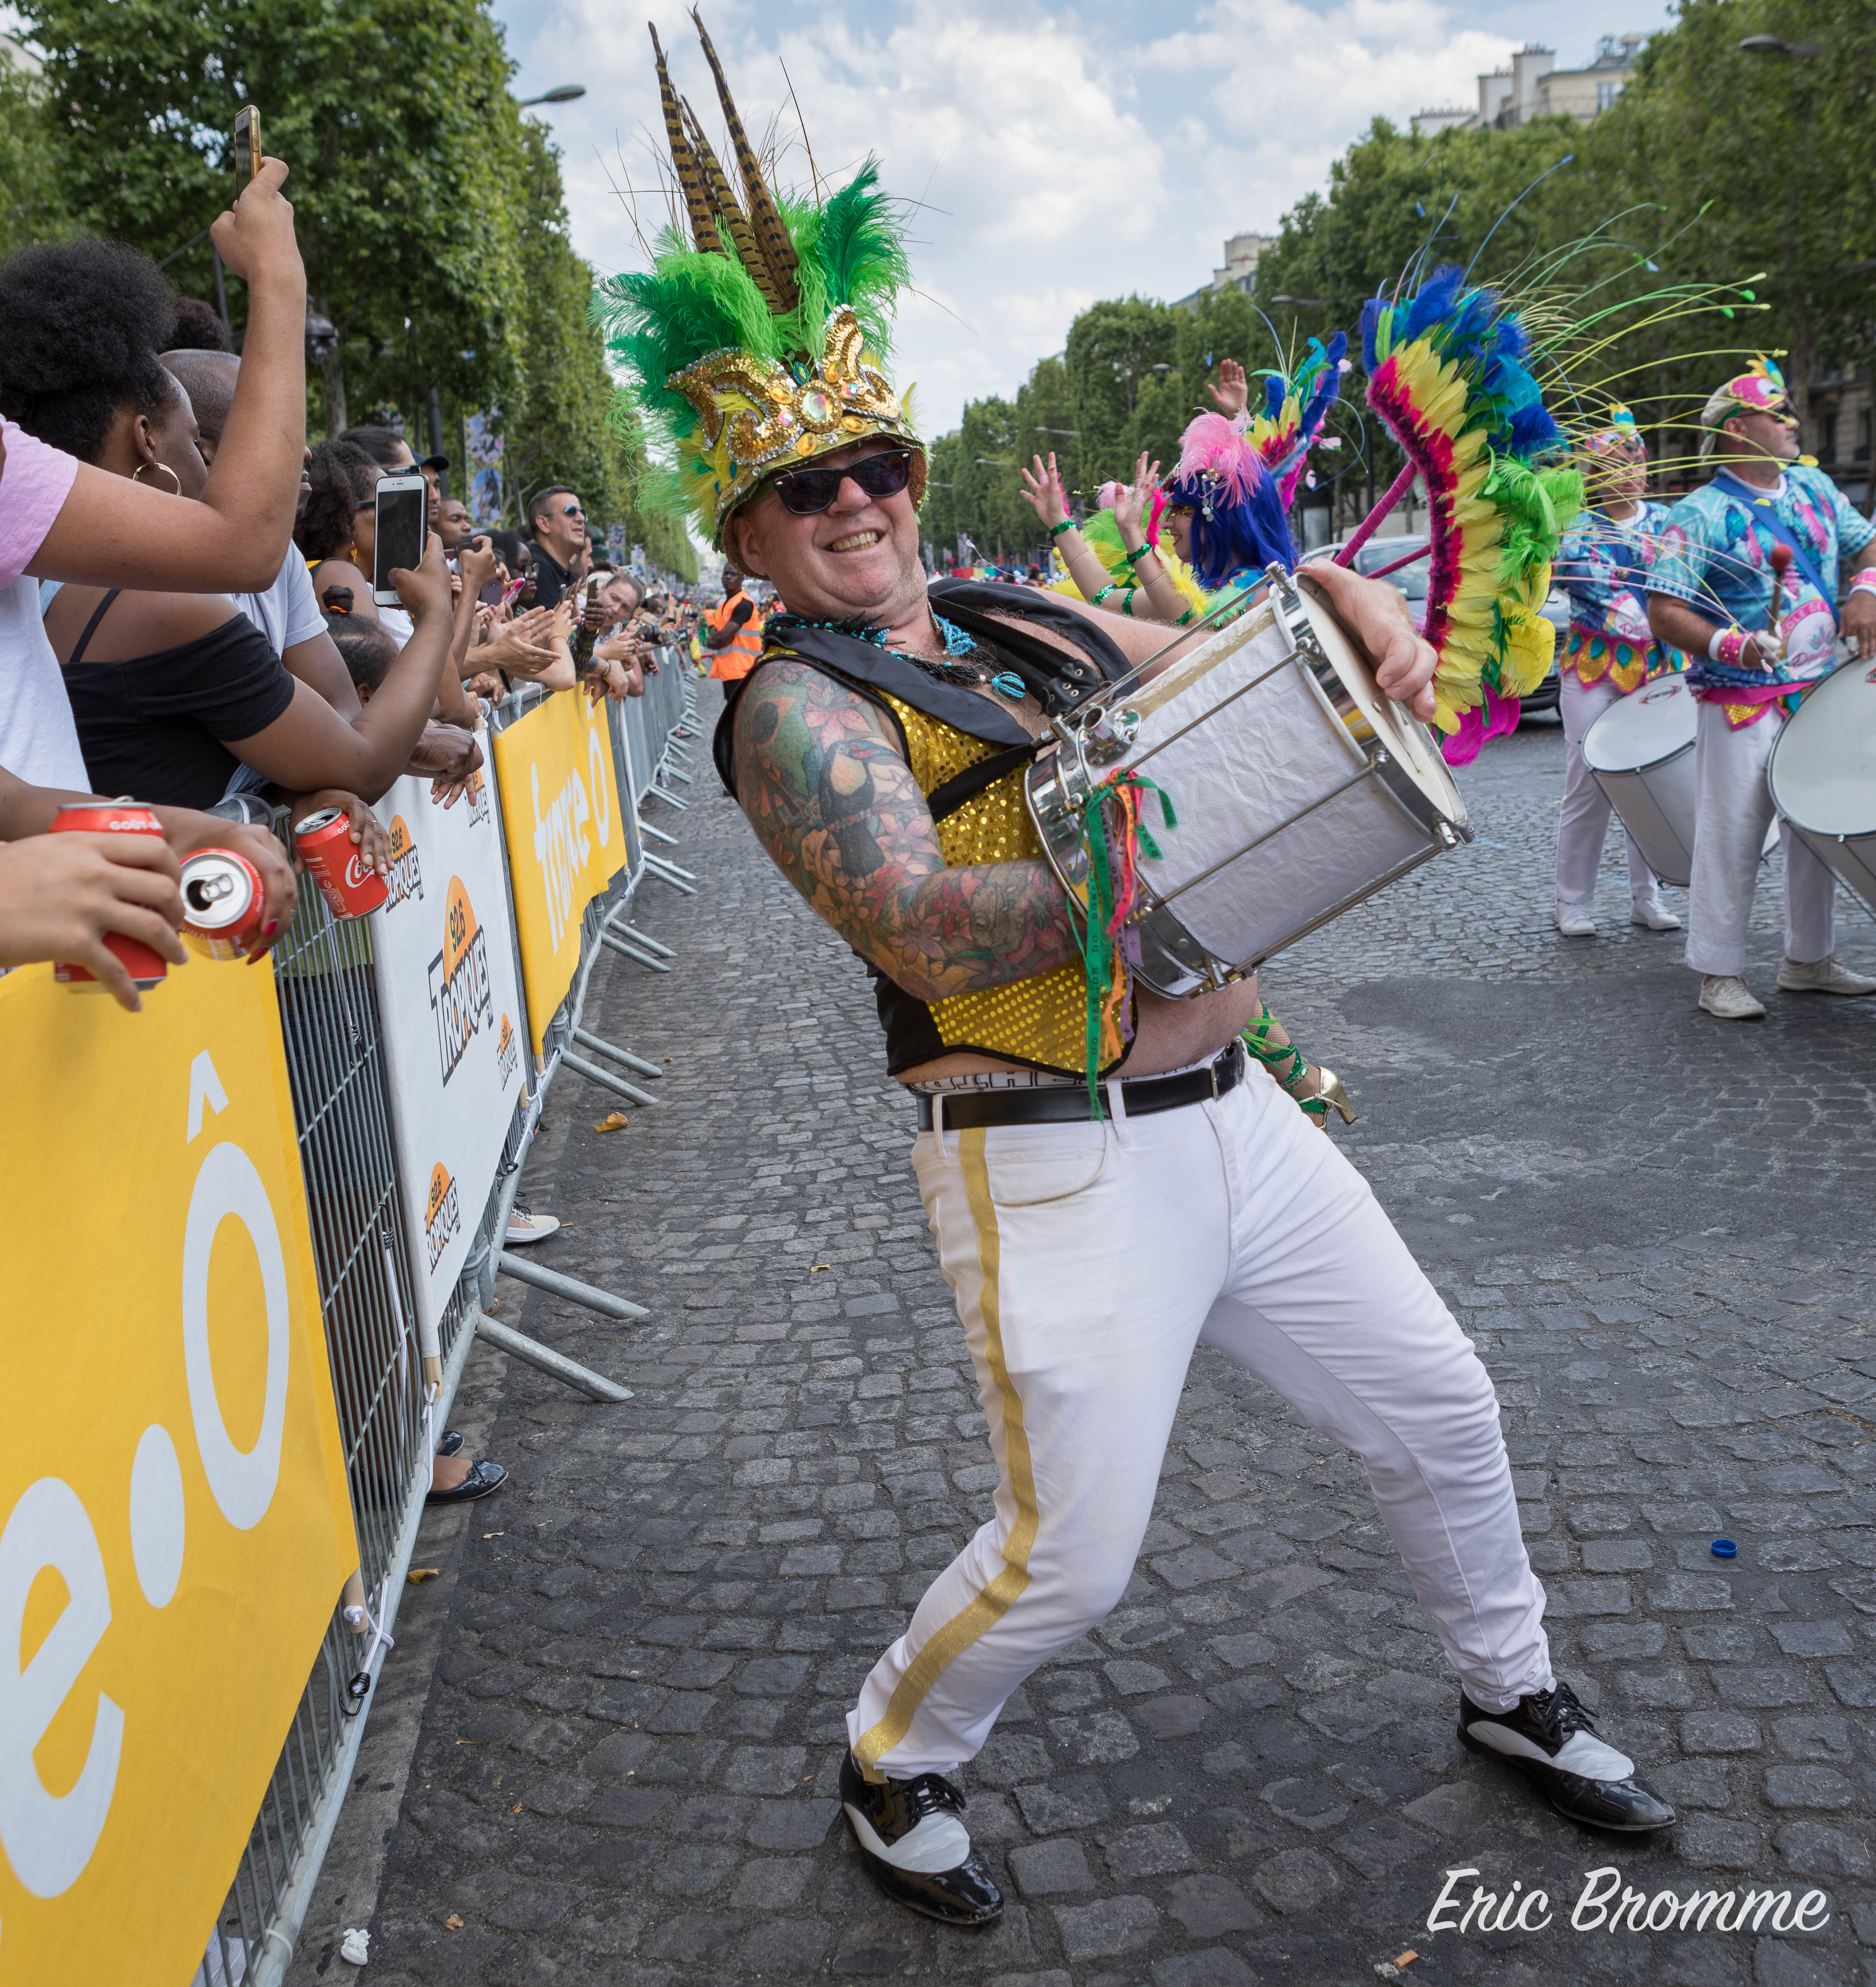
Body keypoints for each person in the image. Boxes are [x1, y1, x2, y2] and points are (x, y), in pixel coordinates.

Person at [605, 25, 1674, 1931]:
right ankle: (891, 1754)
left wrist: (1340, 609)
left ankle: (1513, 1686)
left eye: (878, 464)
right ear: (746, 529)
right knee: (1073, 1556)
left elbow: (1217, 645)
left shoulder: (1011, 607)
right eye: (807, 488)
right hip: (1050, 1155)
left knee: (1438, 1397)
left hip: (1237, 1117)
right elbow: (922, 920)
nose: (856, 501)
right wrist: (1141, 850)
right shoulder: (792, 709)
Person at [1645, 357, 1876, 1019]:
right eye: (1780, 415)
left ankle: (1808, 960)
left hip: (1816, 690)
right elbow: (1665, 609)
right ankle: (1718, 973)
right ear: (1741, 427)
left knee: (1814, 826)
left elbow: (1869, 547)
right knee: (1734, 832)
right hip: (1741, 700)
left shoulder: (1817, 489)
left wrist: (1864, 593)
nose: (1794, 424)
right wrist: (1733, 645)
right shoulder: (1698, 514)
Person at [1550, 407, 1683, 936]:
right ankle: (1571, 901)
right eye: (1620, 458)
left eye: (1639, 457)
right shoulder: (1572, 529)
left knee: (1649, 779)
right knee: (1586, 781)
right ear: (1594, 470)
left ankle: (1645, 896)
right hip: (1592, 668)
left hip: (1658, 668)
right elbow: (1546, 580)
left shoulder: (1667, 524)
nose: (1634, 467)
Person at [700, 569, 764, 692]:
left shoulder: (744, 603)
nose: (728, 577)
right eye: (725, 573)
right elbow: (717, 636)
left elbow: (720, 638)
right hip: (730, 672)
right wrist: (715, 639)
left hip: (744, 671)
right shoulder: (722, 607)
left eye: (733, 574)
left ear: (742, 579)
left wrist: (711, 641)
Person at [523, 486, 586, 609]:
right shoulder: (536, 569)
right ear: (544, 524)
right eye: (570, 511)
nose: (581, 519)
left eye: (582, 512)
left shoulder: (563, 573)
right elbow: (552, 627)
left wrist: (591, 628)